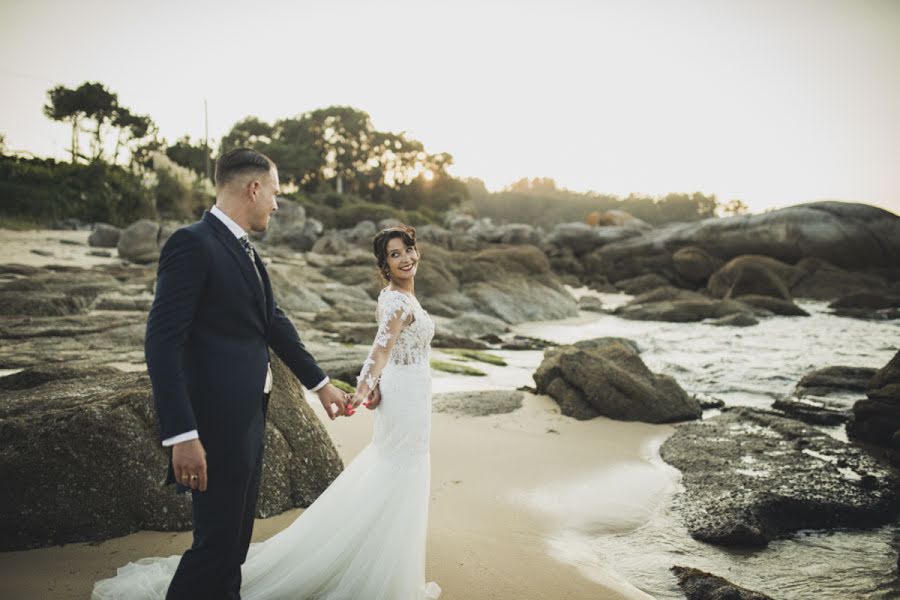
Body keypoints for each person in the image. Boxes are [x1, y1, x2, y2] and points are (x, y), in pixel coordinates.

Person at [93, 217, 441, 598]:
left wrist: (370, 388)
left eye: (407, 249)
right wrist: (363, 387)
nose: (405, 258)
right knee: (398, 473)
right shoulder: (394, 301)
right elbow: (380, 349)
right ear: (384, 266)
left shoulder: (404, 297)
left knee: (399, 474)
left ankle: (386, 568)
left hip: (410, 396)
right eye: (395, 254)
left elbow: (392, 351)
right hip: (403, 402)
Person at [93, 147, 351, 600]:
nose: (276, 203)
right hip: (211, 426)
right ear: (253, 189)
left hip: (249, 415)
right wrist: (181, 434)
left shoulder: (241, 247)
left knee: (233, 546)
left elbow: (273, 321)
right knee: (214, 547)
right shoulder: (192, 243)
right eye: (273, 193)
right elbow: (161, 341)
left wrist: (321, 383)